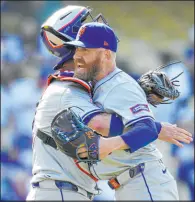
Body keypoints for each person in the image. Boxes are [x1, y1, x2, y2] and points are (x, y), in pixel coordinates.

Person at [26, 6, 192, 201]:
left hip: (126, 182)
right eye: (81, 34)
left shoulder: (86, 86)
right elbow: (101, 125)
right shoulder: (68, 89)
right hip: (61, 191)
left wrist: (136, 100)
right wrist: (153, 127)